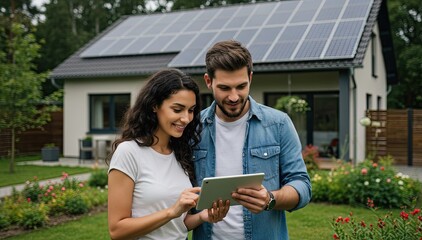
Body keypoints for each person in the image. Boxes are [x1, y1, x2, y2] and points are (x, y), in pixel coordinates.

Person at [191, 40, 312, 240]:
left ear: (250, 78)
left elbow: (302, 186)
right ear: (208, 81)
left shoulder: (279, 124)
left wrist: (270, 199)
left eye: (241, 86)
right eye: (224, 88)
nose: (233, 96)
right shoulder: (193, 129)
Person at [106, 68, 230, 240]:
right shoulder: (129, 152)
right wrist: (172, 211)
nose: (186, 118)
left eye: (191, 110)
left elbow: (177, 225)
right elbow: (117, 230)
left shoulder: (181, 153)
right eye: (177, 109)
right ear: (154, 105)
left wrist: (203, 216)